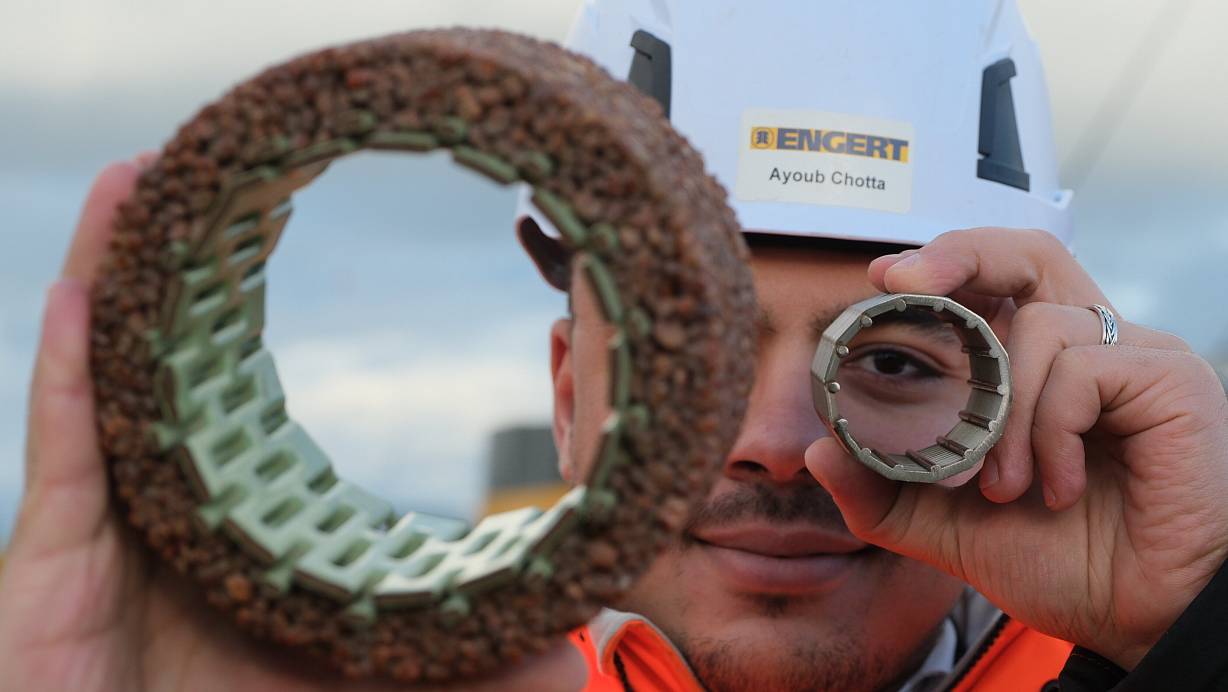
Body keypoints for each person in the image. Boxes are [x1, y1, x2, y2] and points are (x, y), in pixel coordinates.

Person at [1, 3, 1225, 692]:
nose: (775, 443)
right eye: (685, 348)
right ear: (568, 390)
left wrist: (1194, 627)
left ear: (1009, 397)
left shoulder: (1152, 651)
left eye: (892, 360)